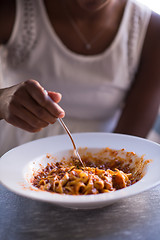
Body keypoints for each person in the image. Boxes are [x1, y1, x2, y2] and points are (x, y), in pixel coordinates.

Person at [0, 0, 160, 156]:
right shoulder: (13, 10)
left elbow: (130, 142)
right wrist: (3, 100)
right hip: (15, 150)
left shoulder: (151, 30)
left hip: (109, 152)